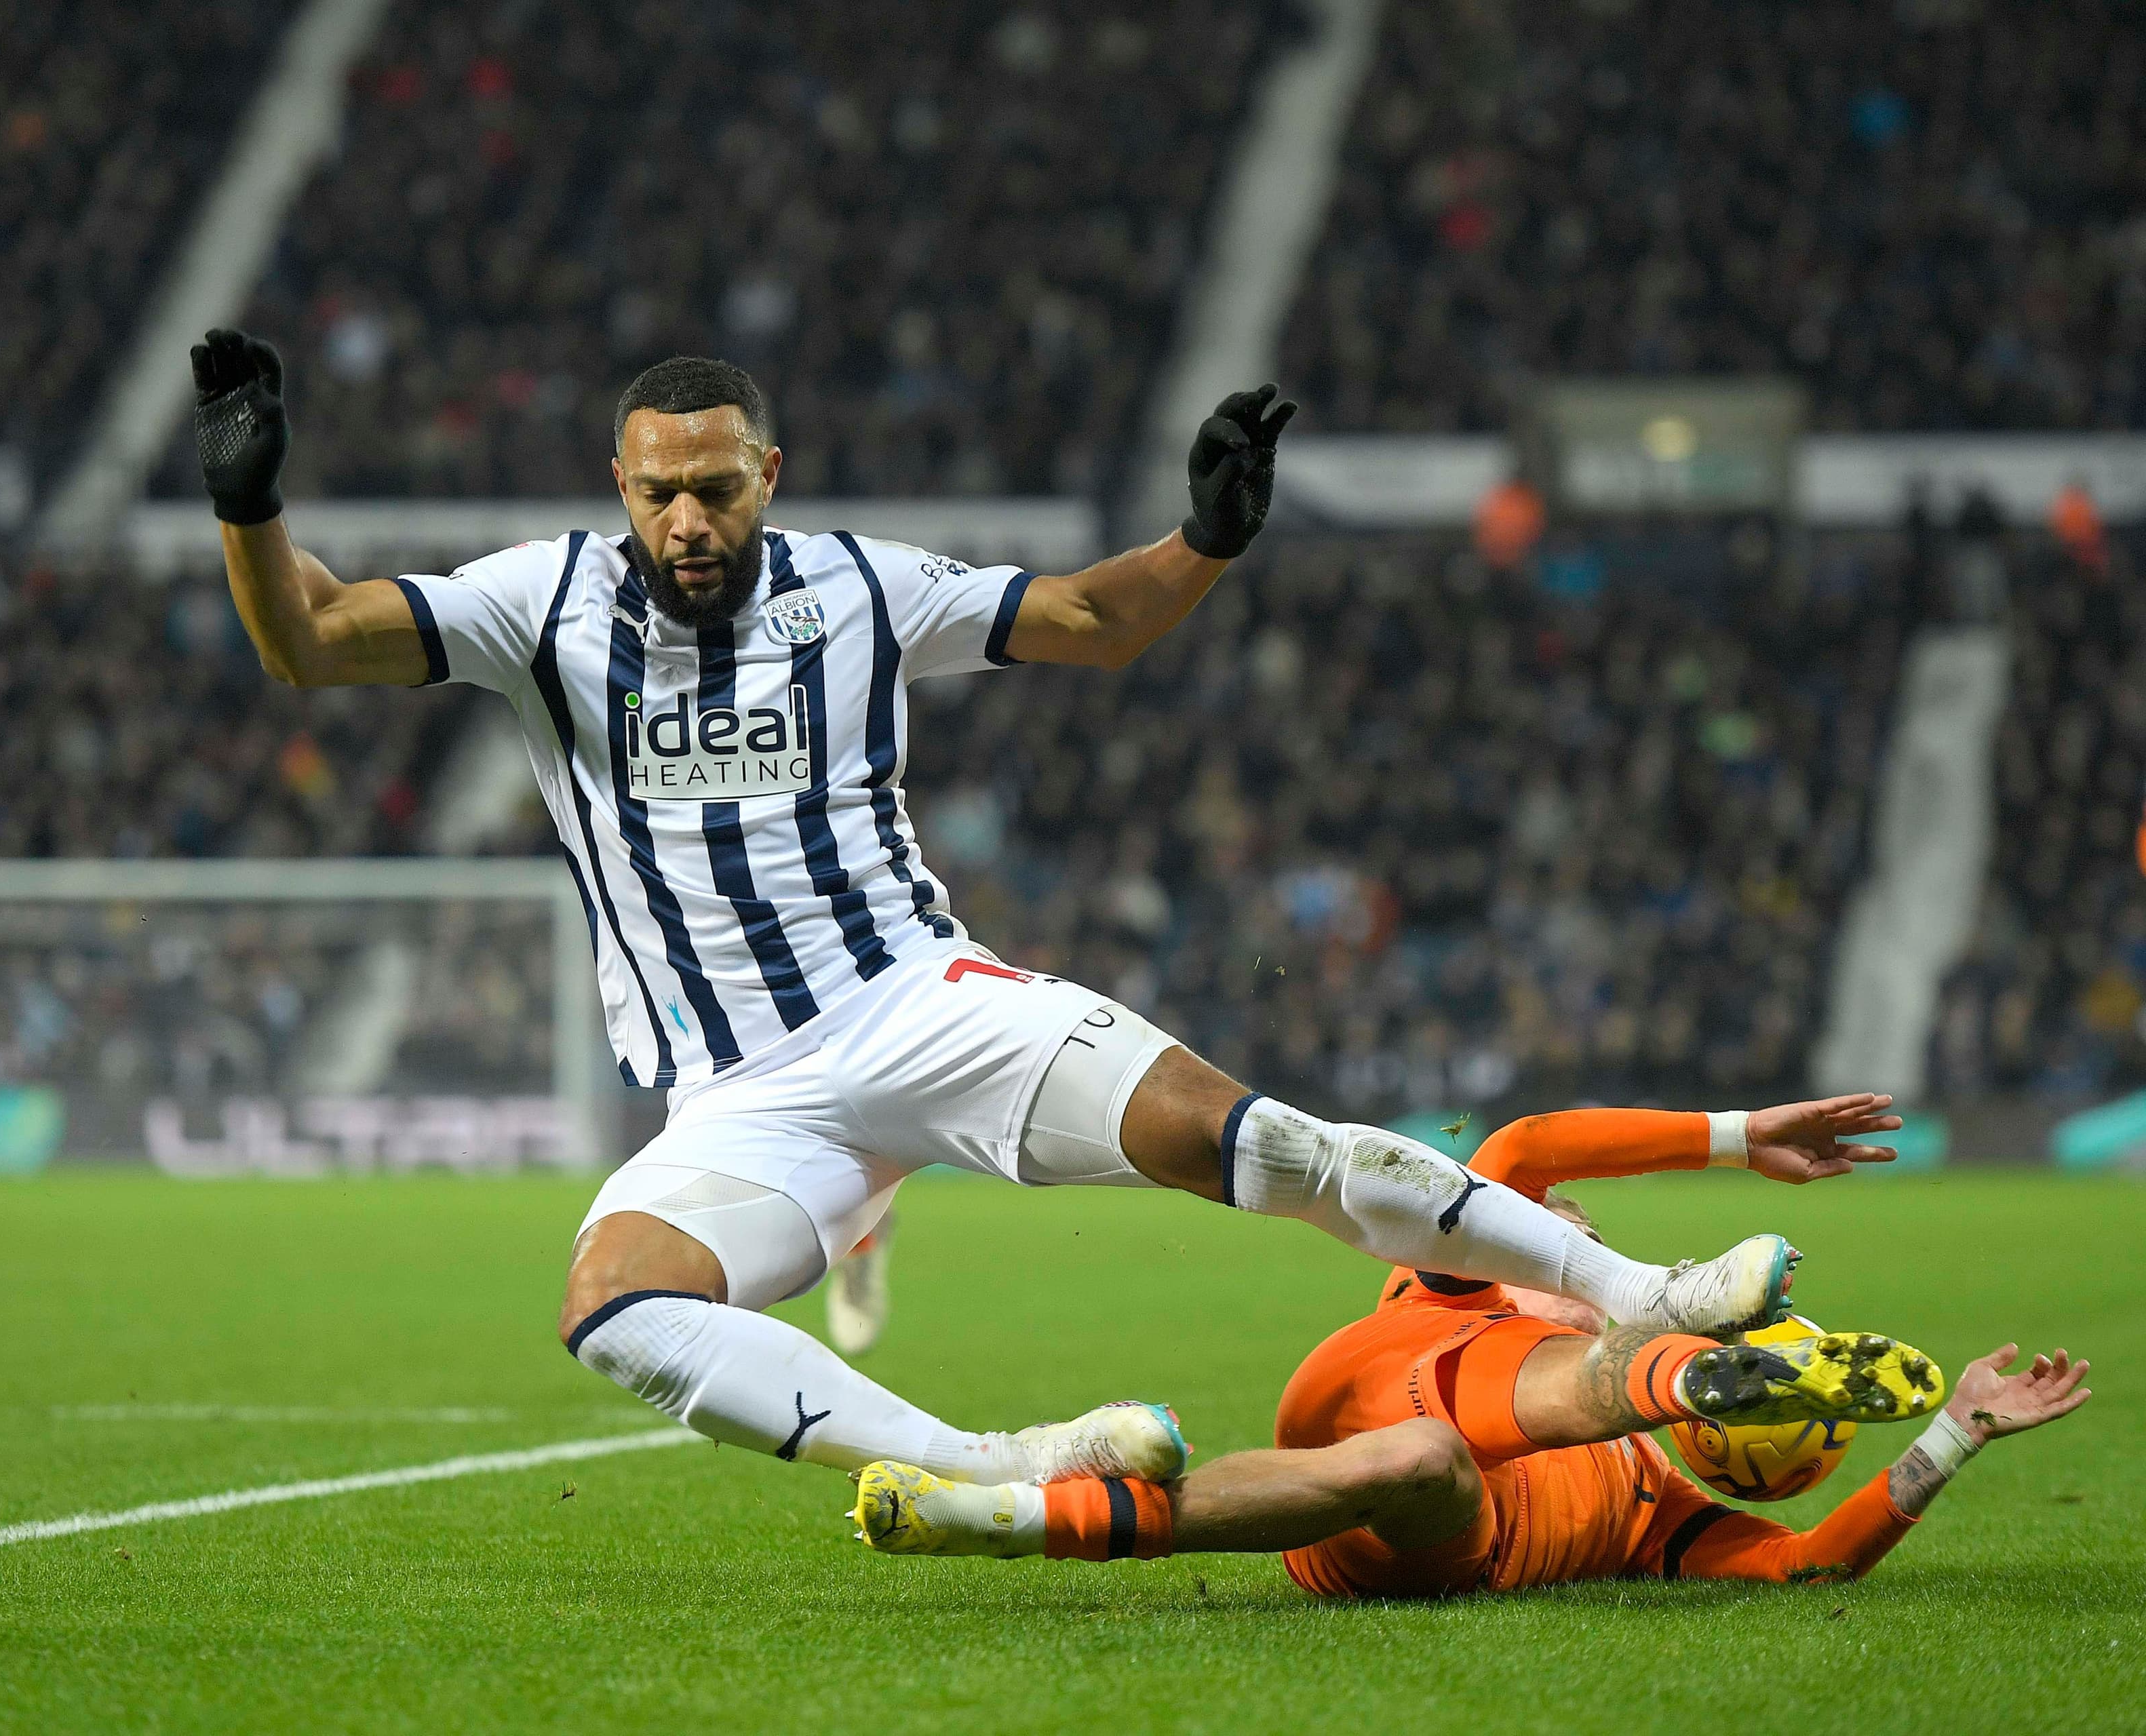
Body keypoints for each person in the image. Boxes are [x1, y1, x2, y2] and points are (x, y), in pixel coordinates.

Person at [192, 328, 1821, 1490]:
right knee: (616, 1309)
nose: (688, 524)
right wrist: (252, 516)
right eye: (657, 493)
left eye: (716, 488)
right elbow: (309, 638)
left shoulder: (859, 582)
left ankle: (1644, 1293)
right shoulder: (533, 602)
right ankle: (987, 1466)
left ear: (770, 473)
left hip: (925, 999)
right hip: (740, 1096)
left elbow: (1094, 619)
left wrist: (1204, 543)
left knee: (1253, 1140)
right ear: (617, 483)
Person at [852, 1099, 2068, 1594]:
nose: (1555, 1236)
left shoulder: (1668, 1524)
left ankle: (995, 1517)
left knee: (1426, 1457)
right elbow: (1530, 1145)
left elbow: (1808, 1565)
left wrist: (1956, 1433)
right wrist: (1735, 1134)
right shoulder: (1471, 1269)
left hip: (1404, 1522)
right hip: (1380, 1372)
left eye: (1567, 1235)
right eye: (1552, 1232)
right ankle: (1681, 1370)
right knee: (1489, 1363)